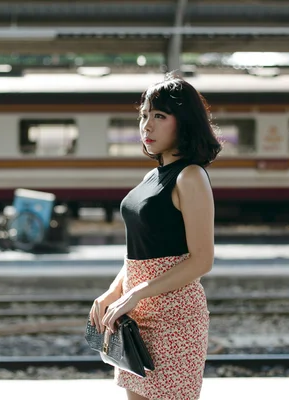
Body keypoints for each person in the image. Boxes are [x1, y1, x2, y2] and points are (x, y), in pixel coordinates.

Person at [89, 72, 222, 400]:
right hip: (135, 316)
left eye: (159, 116)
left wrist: (134, 294)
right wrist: (113, 292)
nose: (146, 126)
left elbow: (202, 259)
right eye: (144, 115)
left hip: (174, 316)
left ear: (184, 122)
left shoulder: (190, 176)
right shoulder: (154, 175)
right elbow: (140, 251)